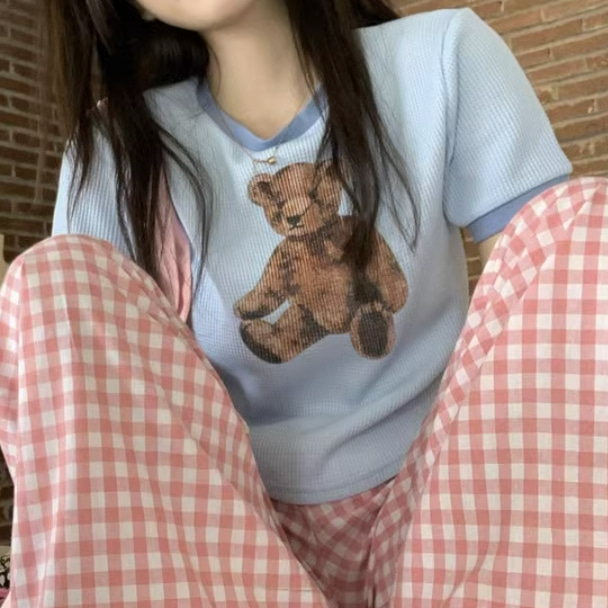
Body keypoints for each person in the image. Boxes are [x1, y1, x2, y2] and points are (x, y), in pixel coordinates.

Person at [0, 0, 606, 606]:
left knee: (585, 224)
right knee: (53, 279)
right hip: (225, 532)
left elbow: (538, 297)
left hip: (450, 495)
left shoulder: (442, 58)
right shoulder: (117, 148)